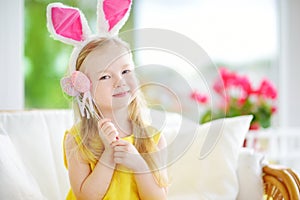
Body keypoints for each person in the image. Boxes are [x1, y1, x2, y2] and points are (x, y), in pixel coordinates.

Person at [46, 1, 168, 200]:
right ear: (84, 87)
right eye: (105, 76)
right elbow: (86, 197)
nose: (120, 81)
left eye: (126, 71)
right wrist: (108, 154)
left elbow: (159, 197)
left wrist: (138, 164)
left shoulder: (152, 138)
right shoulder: (77, 140)